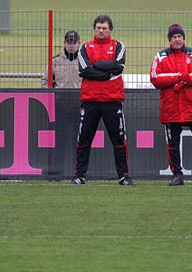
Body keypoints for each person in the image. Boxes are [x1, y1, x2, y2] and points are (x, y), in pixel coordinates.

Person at [150, 24, 192, 186]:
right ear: (169, 40)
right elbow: (155, 78)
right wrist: (179, 77)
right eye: (174, 37)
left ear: (184, 39)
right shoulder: (160, 57)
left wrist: (185, 79)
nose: (177, 39)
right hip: (171, 107)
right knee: (172, 143)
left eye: (180, 37)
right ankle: (177, 175)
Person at [71, 15, 133, 186]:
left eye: (104, 28)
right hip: (90, 99)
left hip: (112, 99)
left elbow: (119, 67)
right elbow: (84, 70)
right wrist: (106, 73)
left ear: (110, 30)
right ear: (94, 29)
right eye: (98, 28)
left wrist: (96, 65)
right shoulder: (86, 47)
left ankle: (123, 176)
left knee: (119, 139)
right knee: (84, 138)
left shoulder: (118, 46)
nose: (101, 31)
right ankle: (79, 175)